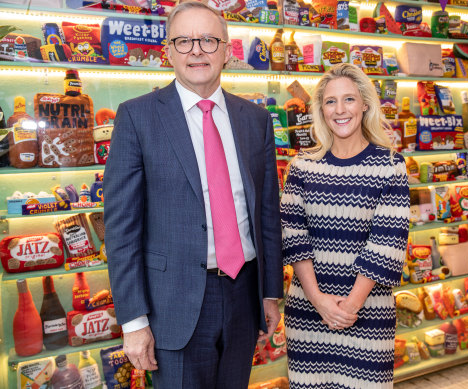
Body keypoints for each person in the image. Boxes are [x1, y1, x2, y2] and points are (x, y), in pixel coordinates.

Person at [103, 2, 283, 387]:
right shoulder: (137, 117)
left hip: (243, 295)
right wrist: (134, 322)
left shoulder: (255, 119)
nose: (196, 50)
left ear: (227, 50)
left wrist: (270, 293)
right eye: (184, 41)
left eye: (208, 40)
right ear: (168, 51)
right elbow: (121, 229)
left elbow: (267, 213)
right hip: (172, 305)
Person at [280, 63, 410, 388]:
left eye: (349, 99)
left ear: (365, 104)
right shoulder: (302, 166)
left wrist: (348, 307)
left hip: (367, 313)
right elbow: (293, 236)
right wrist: (319, 300)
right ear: (320, 110)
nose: (340, 110)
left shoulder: (390, 166)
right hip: (309, 313)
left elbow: (387, 243)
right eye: (330, 101)